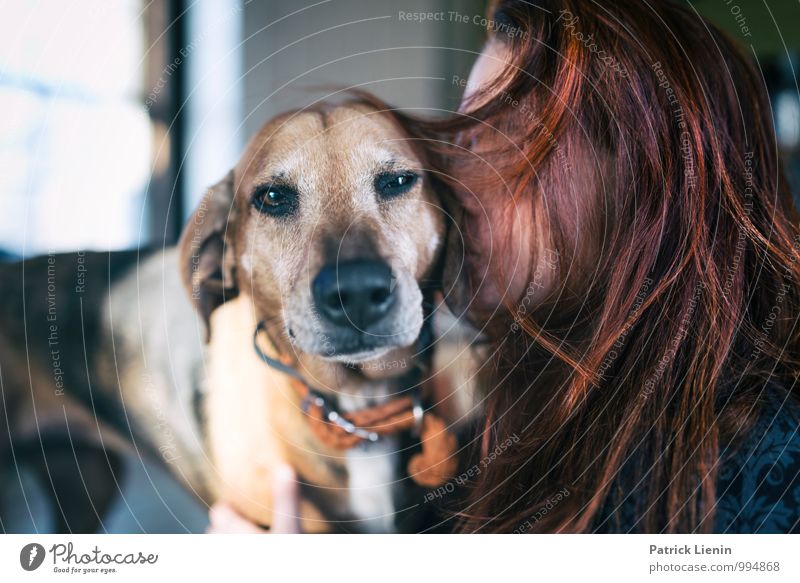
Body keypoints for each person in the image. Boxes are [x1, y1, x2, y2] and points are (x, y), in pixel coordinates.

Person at [209, 0, 800, 533]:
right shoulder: (515, 386)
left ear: (650, 195)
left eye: (514, 147)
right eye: (465, 140)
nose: (455, 182)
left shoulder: (758, 472)